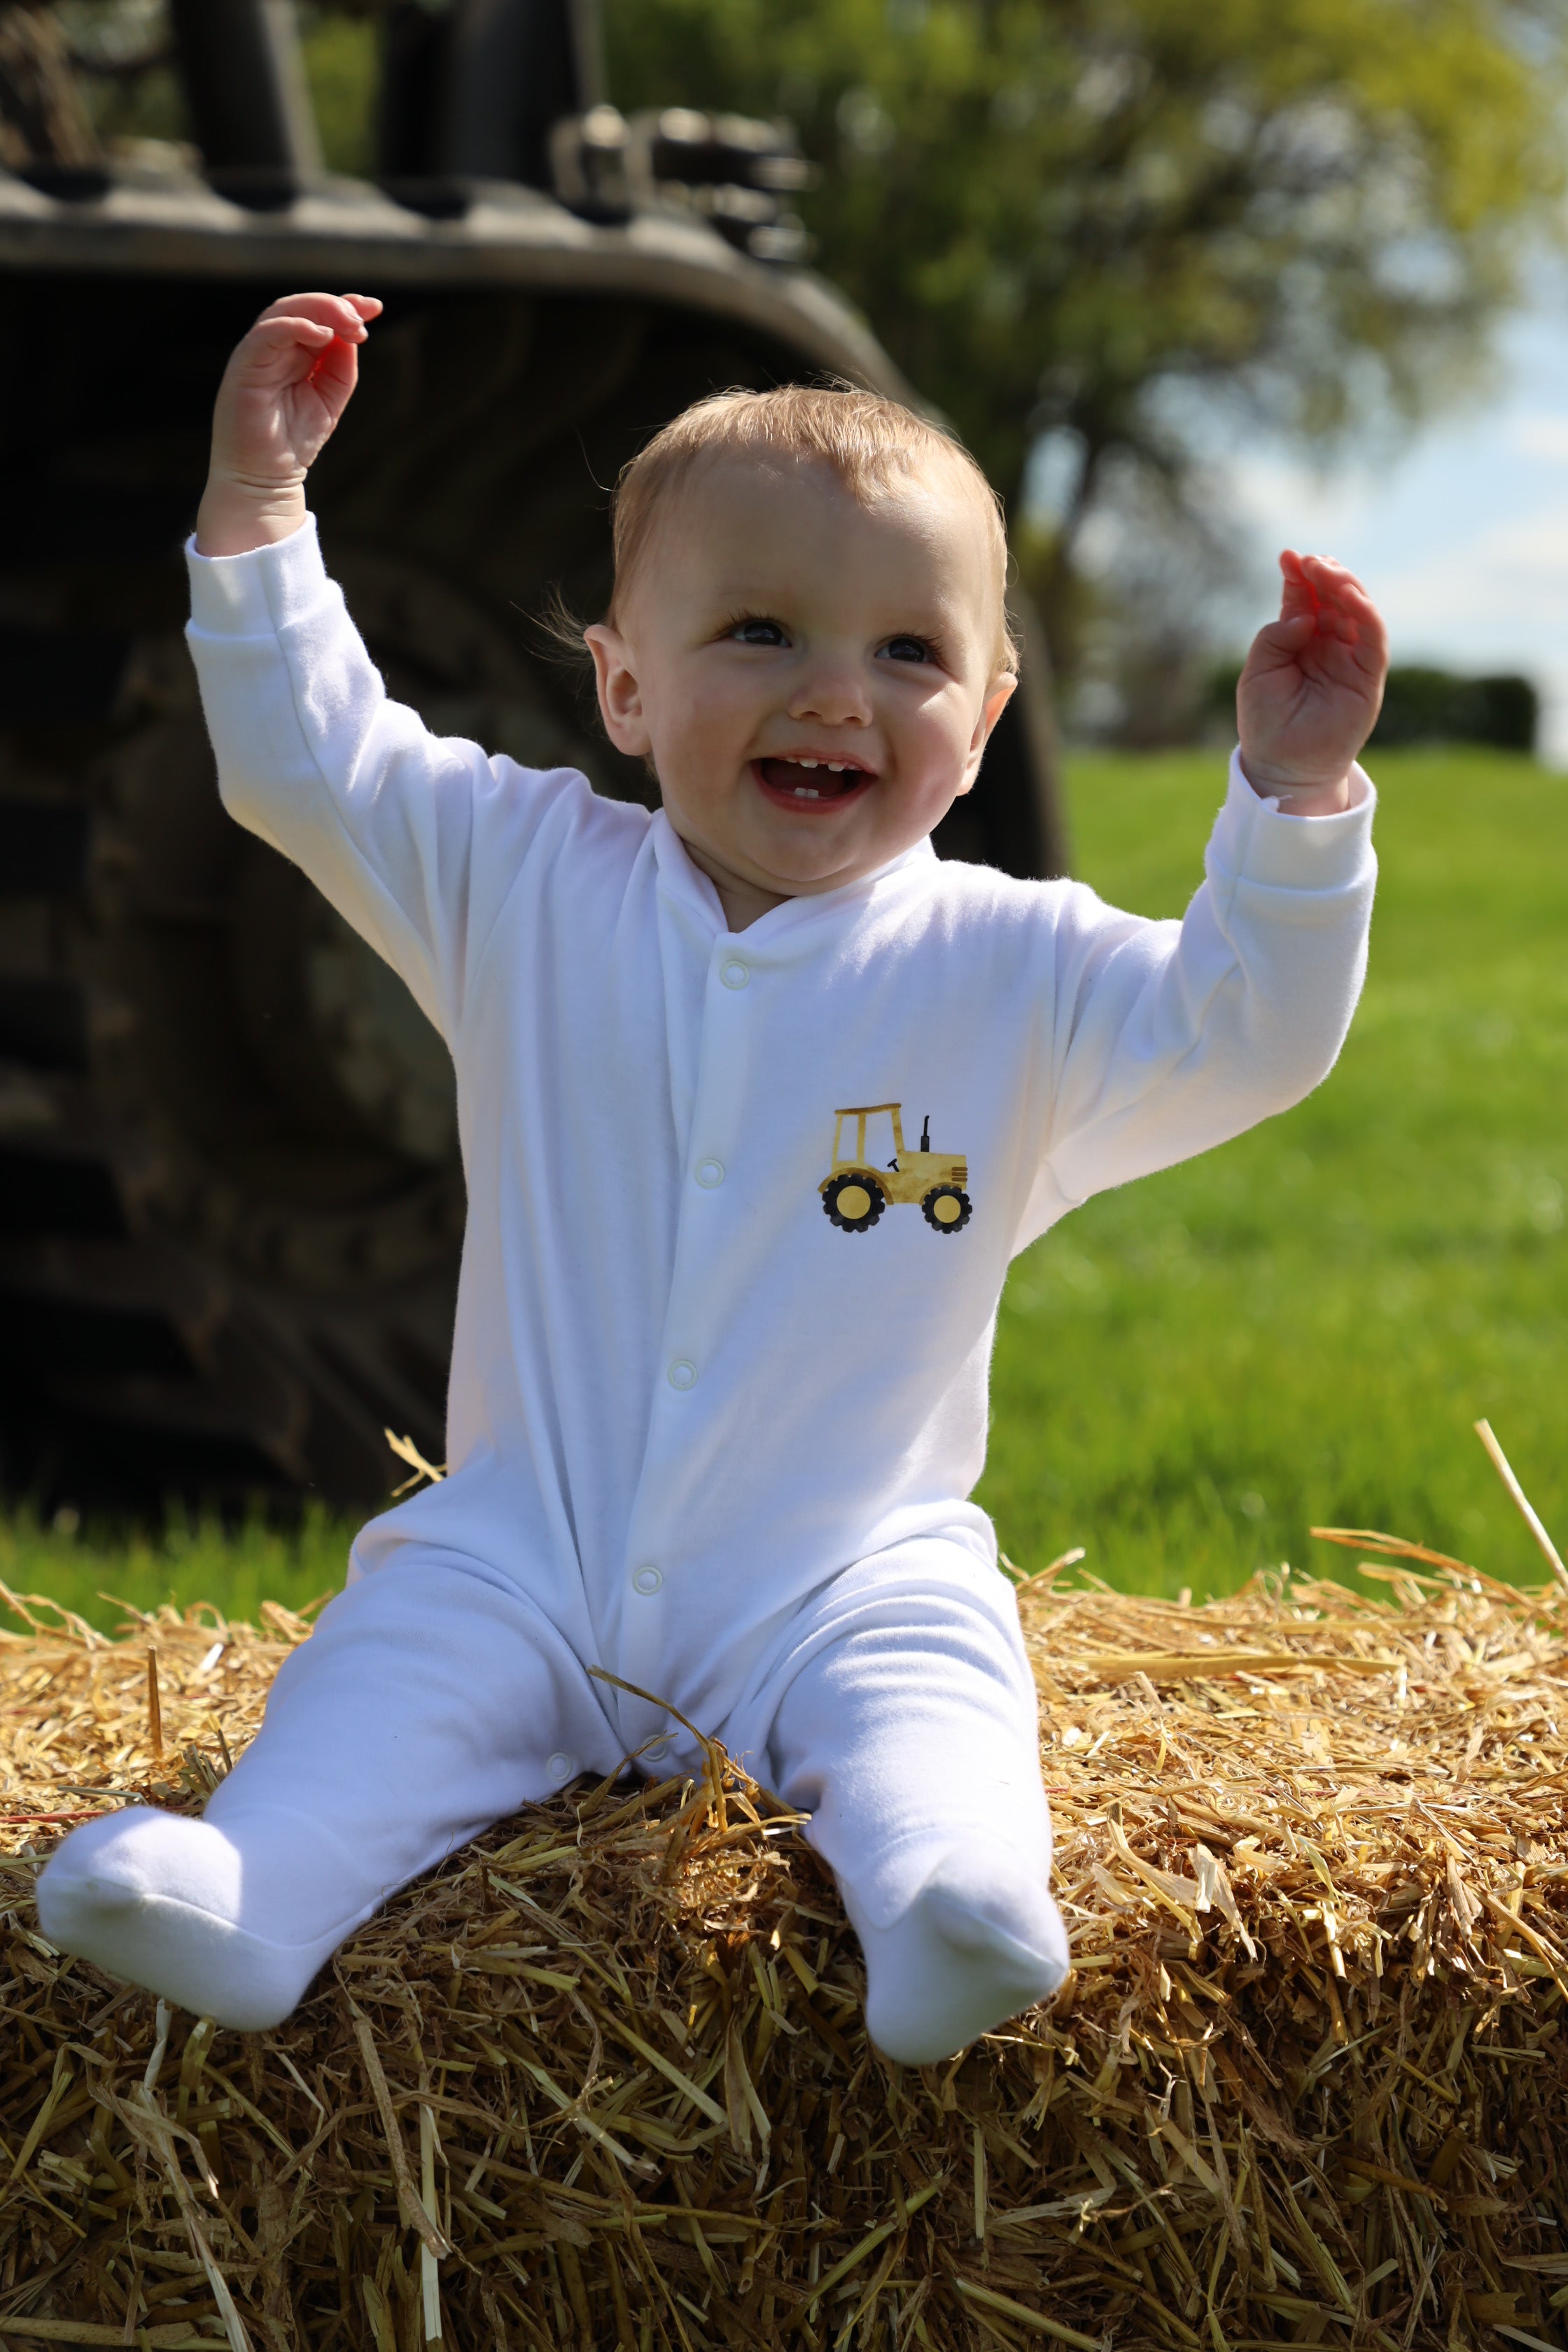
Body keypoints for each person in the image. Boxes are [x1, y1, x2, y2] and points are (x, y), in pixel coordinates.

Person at [38, 293, 1385, 2060]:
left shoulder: (1018, 973)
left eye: (910, 654)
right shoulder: (520, 875)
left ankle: (945, 1906)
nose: (838, 689)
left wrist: (1291, 802)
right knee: (374, 1684)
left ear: (980, 722)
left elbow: (1245, 1031)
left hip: (836, 1568)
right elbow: (312, 757)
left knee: (930, 1693)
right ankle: (252, 1902)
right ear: (622, 683)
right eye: (759, 630)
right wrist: (258, 510)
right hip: (522, 1554)